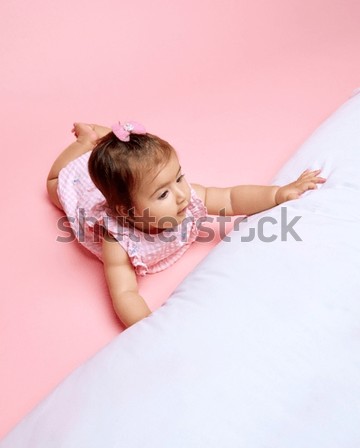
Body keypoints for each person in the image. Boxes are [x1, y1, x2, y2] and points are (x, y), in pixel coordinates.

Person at [47, 121, 326, 327]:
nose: (182, 194)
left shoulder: (187, 199)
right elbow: (124, 292)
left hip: (118, 182)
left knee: (120, 161)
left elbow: (231, 197)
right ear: (128, 212)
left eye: (179, 178)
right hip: (78, 185)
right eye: (163, 193)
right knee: (52, 186)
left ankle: (103, 139)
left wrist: (279, 193)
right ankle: (84, 143)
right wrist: (146, 325)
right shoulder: (117, 241)